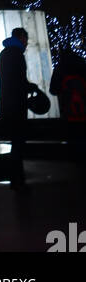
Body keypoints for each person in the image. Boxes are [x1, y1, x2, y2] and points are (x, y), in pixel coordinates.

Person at [0, 26, 35, 191]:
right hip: (16, 106)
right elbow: (18, 81)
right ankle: (18, 181)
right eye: (26, 39)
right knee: (18, 144)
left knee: (15, 143)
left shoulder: (4, 53)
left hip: (7, 105)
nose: (26, 43)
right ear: (21, 37)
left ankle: (16, 179)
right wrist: (30, 87)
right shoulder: (16, 54)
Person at [49, 45, 86, 199]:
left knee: (75, 141)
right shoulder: (82, 64)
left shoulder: (60, 68)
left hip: (70, 113)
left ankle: (79, 172)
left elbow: (53, 90)